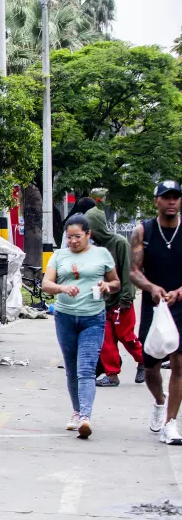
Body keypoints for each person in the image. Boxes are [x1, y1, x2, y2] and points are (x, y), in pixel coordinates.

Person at [42, 214, 120, 439]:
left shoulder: (101, 254)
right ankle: (76, 412)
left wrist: (106, 285)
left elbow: (116, 283)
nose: (73, 241)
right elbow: (46, 284)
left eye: (77, 236)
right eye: (69, 237)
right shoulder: (59, 255)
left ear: (88, 235)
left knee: (86, 368)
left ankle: (85, 417)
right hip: (65, 317)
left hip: (93, 318)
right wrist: (62, 289)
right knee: (71, 368)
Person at [130, 181, 182, 444]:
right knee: (150, 365)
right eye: (166, 197)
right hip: (155, 304)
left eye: (176, 197)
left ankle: (171, 424)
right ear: (156, 201)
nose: (171, 201)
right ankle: (159, 401)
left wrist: (180, 291)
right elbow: (133, 270)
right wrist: (152, 287)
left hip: (181, 303)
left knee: (179, 363)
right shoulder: (143, 231)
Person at [84, 208, 144, 387]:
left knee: (126, 336)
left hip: (121, 301)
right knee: (106, 340)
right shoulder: (94, 248)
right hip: (103, 302)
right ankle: (112, 375)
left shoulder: (118, 243)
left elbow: (128, 271)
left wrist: (127, 297)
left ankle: (145, 361)